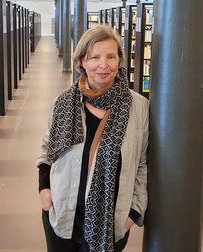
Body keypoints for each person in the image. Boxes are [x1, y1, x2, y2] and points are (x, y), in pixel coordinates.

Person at [36, 25, 148, 252]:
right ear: (82, 62)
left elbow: (142, 164)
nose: (103, 65)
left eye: (111, 57)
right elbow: (48, 148)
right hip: (63, 216)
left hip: (110, 223)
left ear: (120, 61)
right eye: (94, 57)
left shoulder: (138, 107)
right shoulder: (63, 103)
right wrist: (44, 190)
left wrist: (133, 212)